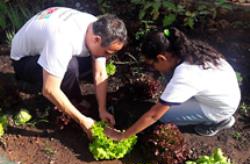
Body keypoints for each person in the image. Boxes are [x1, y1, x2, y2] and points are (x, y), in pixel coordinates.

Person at [10, 7, 127, 138]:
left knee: (92, 59)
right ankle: (74, 100)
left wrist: (102, 109)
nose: (108, 57)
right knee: (69, 68)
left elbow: (100, 73)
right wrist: (83, 121)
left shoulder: (96, 26)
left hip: (48, 45)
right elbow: (49, 89)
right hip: (23, 61)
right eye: (107, 52)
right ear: (97, 39)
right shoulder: (63, 39)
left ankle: (69, 88)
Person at [105, 27, 240, 140]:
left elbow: (153, 115)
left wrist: (122, 136)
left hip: (219, 108)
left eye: (152, 64)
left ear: (161, 58)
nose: (153, 69)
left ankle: (217, 121)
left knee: (165, 115)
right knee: (169, 91)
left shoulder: (186, 75)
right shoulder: (188, 49)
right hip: (225, 93)